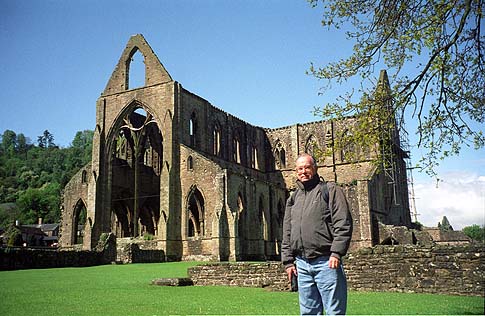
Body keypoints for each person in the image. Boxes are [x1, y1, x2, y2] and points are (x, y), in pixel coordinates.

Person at [282, 153, 353, 315]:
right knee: (308, 313)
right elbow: (287, 232)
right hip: (301, 265)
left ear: (315, 168)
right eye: (300, 168)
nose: (303, 171)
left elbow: (343, 222)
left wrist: (336, 252)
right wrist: (288, 262)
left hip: (326, 262)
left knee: (334, 311)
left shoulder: (330, 190)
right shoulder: (293, 198)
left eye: (307, 167)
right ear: (295, 171)